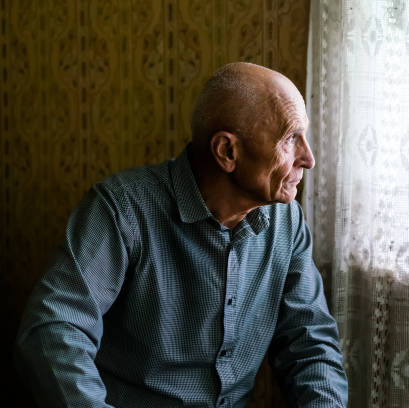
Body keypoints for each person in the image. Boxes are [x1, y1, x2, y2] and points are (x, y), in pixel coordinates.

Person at [15, 62, 348, 407]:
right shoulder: (122, 210)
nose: (308, 158)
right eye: (291, 138)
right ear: (227, 152)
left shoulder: (286, 221)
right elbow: (53, 330)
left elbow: (310, 347)